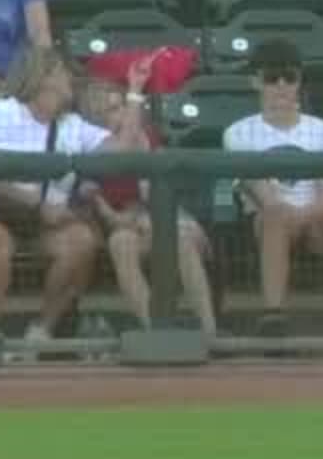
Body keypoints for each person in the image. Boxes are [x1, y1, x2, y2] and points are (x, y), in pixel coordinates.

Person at [0, 48, 150, 347]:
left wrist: (135, 91)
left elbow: (123, 150)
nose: (70, 81)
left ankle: (42, 332)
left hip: (47, 221)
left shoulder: (72, 125)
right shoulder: (3, 111)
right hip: (1, 212)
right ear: (45, 77)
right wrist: (37, 206)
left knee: (81, 240)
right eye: (64, 73)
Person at [222, 38, 323, 339]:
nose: (281, 85)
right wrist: (292, 216)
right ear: (255, 82)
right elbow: (261, 194)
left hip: (317, 219)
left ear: (299, 82)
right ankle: (274, 315)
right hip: (268, 220)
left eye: (289, 77)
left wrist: (306, 216)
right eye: (271, 77)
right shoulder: (237, 131)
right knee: (276, 213)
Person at [77, 72, 219, 344]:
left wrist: (143, 215)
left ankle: (209, 331)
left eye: (120, 106)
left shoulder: (148, 140)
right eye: (110, 111)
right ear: (96, 119)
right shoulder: (93, 151)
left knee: (180, 240)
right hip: (125, 225)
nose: (120, 115)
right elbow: (109, 218)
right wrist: (130, 219)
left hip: (165, 219)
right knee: (120, 243)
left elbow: (157, 202)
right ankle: (156, 331)